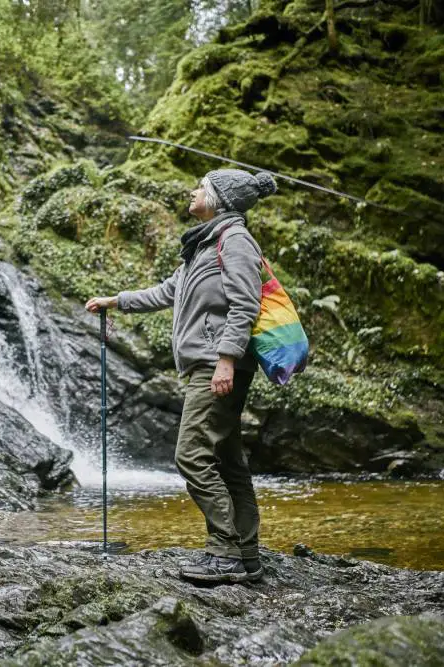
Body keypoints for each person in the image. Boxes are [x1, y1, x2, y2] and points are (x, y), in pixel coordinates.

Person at [86, 168, 277, 584]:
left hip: (216, 367)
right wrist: (115, 301)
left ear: (220, 199)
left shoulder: (236, 241)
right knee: (228, 463)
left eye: (202, 188)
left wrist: (226, 359)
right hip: (206, 365)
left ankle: (224, 553)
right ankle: (246, 555)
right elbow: (166, 292)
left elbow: (245, 305)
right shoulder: (203, 246)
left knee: (190, 456)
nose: (194, 192)